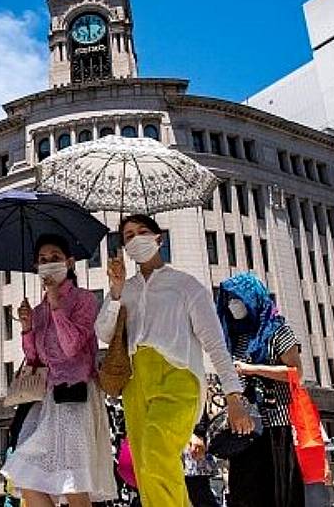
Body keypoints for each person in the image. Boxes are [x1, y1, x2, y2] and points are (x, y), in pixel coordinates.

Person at [96, 214, 252, 507]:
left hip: (178, 379)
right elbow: (103, 333)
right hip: (134, 384)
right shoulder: (125, 289)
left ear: (159, 239)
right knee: (145, 468)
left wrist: (233, 395)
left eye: (142, 231)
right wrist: (115, 291)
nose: (135, 239)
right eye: (128, 235)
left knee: (156, 452)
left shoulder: (186, 286)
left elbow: (215, 344)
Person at [2, 233, 116, 507]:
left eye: (55, 258)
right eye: (43, 260)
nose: (49, 264)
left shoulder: (84, 300)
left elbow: (71, 346)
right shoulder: (38, 310)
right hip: (50, 400)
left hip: (78, 396)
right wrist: (28, 328)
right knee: (25, 475)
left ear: (70, 262)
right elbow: (34, 360)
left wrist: (55, 305)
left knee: (73, 482)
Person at [219, 272, 305, 507]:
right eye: (228, 299)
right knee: (244, 492)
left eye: (237, 298)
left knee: (276, 492)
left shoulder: (278, 330)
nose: (232, 305)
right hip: (245, 427)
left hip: (275, 425)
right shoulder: (236, 337)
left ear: (252, 297)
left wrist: (252, 369)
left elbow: (296, 373)